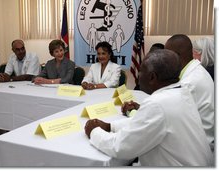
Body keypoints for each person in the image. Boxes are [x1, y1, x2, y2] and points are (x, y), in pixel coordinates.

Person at [84, 49, 213, 166]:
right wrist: (110, 126)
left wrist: (94, 131)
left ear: (152, 77)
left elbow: (121, 147)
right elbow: (143, 123)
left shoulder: (157, 104)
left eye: (140, 72)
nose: (138, 77)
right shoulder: (181, 92)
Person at [165, 34, 214, 152]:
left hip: (196, 147)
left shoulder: (189, 82)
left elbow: (165, 117)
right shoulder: (195, 71)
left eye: (166, 55)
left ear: (176, 56)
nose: (163, 59)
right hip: (197, 137)